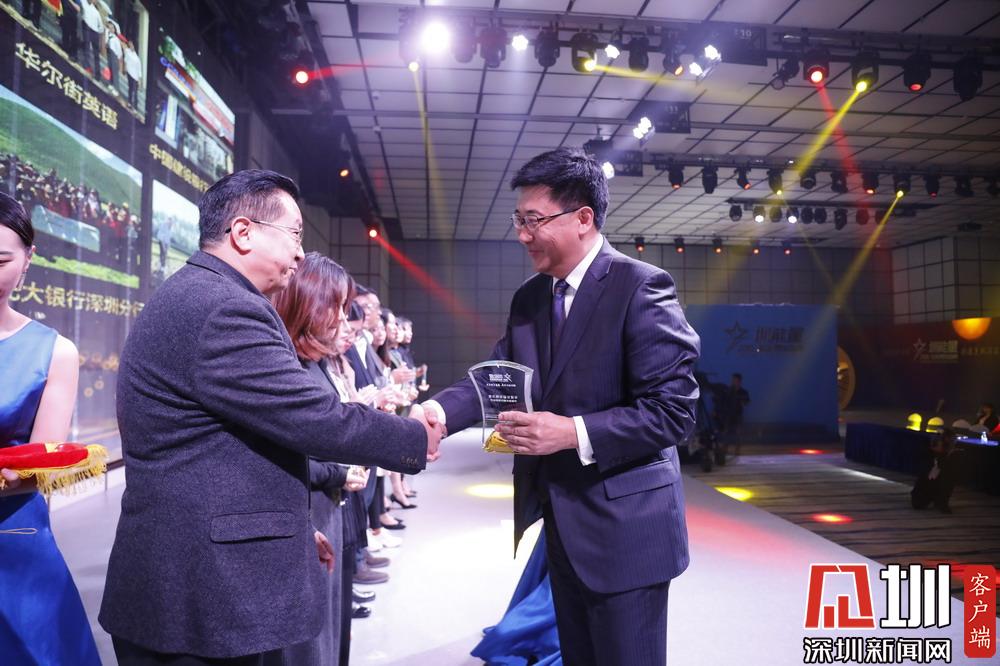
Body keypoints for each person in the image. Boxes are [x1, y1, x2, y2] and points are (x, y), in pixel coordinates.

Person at [99, 170, 440, 665]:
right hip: (198, 590)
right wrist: (414, 437)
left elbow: (230, 451)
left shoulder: (202, 293)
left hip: (194, 572)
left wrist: (292, 535)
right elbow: (313, 417)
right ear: (243, 232)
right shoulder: (224, 308)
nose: (301, 253)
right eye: (295, 234)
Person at [427, 148, 700, 666]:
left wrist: (572, 432)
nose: (523, 235)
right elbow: (499, 374)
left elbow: (674, 412)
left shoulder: (641, 286)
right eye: (519, 220)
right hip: (562, 524)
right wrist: (437, 413)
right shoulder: (531, 298)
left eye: (534, 220)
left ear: (583, 218)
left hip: (628, 530)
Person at [0, 192, 102, 665]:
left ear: (27, 261)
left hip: (11, 547)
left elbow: (40, 465)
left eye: (0, 260)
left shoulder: (53, 352)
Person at [911, 428, 960, 513]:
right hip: (924, 492)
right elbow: (930, 474)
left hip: (934, 486)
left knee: (948, 478)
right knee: (919, 503)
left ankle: (940, 502)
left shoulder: (945, 456)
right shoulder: (928, 455)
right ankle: (937, 500)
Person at [722, 372, 750, 456]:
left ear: (739, 381)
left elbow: (747, 402)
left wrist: (743, 402)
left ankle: (737, 450)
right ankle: (725, 449)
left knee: (738, 433)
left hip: (738, 415)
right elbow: (724, 402)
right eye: (733, 380)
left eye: (735, 380)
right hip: (729, 415)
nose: (733, 382)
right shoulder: (729, 391)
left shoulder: (743, 392)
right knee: (726, 432)